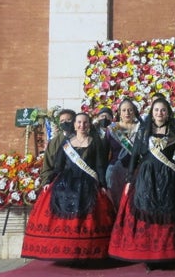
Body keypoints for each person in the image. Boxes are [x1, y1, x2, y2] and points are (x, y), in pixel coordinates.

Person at [108, 97, 175, 263]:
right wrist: (129, 180)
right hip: (146, 177)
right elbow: (135, 155)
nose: (159, 113)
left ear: (168, 113)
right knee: (144, 209)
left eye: (163, 110)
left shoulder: (174, 134)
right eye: (156, 110)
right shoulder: (143, 131)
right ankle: (147, 254)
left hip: (169, 178)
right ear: (152, 112)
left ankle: (167, 253)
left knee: (168, 211)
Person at [22, 113, 115, 261]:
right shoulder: (66, 143)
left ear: (89, 124)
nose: (82, 125)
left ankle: (88, 252)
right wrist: (49, 182)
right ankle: (63, 252)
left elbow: (99, 165)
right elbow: (58, 166)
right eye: (79, 122)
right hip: (66, 182)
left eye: (85, 122)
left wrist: (103, 184)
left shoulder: (95, 142)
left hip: (88, 183)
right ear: (74, 124)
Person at [105, 99, 142, 207]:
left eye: (130, 110)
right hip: (115, 172)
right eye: (124, 110)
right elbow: (105, 153)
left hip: (136, 171)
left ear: (134, 112)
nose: (127, 113)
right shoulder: (112, 129)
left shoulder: (141, 128)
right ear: (119, 113)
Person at [40, 109, 76, 188]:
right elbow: (47, 166)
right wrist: (46, 182)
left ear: (75, 121)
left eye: (68, 120)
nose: (65, 123)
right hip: (58, 184)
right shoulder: (53, 142)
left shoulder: (83, 139)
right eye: (62, 121)